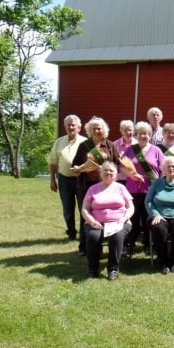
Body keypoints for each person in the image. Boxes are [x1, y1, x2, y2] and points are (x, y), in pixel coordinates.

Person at [72, 116, 121, 256]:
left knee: (104, 213)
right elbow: (75, 163)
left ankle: (103, 242)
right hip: (86, 185)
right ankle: (84, 247)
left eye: (99, 128)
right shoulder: (84, 146)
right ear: (89, 130)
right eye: (94, 128)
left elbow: (117, 164)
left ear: (104, 130)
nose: (96, 131)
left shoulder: (110, 145)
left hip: (105, 185)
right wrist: (77, 168)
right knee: (86, 214)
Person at [81, 162, 134, 280]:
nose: (108, 173)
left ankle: (113, 269)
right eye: (105, 170)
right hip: (96, 222)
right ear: (100, 173)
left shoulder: (121, 188)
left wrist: (124, 219)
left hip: (119, 222)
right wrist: (91, 221)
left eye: (111, 171)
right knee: (93, 236)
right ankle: (92, 269)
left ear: (116, 174)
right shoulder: (93, 189)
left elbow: (130, 207)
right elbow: (85, 208)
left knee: (116, 236)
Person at [121, 121, 165, 253]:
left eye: (146, 133)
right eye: (140, 133)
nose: (143, 136)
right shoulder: (130, 149)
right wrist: (132, 175)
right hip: (133, 190)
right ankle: (129, 243)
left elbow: (163, 169)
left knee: (149, 217)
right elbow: (121, 167)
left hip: (151, 189)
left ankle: (148, 244)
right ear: (136, 135)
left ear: (150, 135)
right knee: (132, 217)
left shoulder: (156, 150)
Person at [145, 156, 174, 274]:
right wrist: (155, 214)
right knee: (159, 228)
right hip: (159, 216)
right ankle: (164, 262)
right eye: (168, 166)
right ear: (164, 170)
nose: (171, 168)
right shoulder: (157, 183)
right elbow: (148, 201)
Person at [48, 114, 87, 241]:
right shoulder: (59, 142)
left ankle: (84, 234)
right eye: (68, 125)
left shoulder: (86, 142)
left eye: (73, 125)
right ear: (65, 127)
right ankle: (71, 233)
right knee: (67, 208)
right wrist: (52, 180)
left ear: (79, 127)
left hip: (81, 179)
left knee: (84, 207)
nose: (71, 127)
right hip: (64, 179)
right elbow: (53, 162)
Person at [114, 120, 137, 184]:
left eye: (129, 130)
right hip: (119, 179)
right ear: (121, 131)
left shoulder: (138, 145)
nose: (128, 132)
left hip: (134, 179)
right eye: (125, 130)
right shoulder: (115, 145)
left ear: (133, 131)